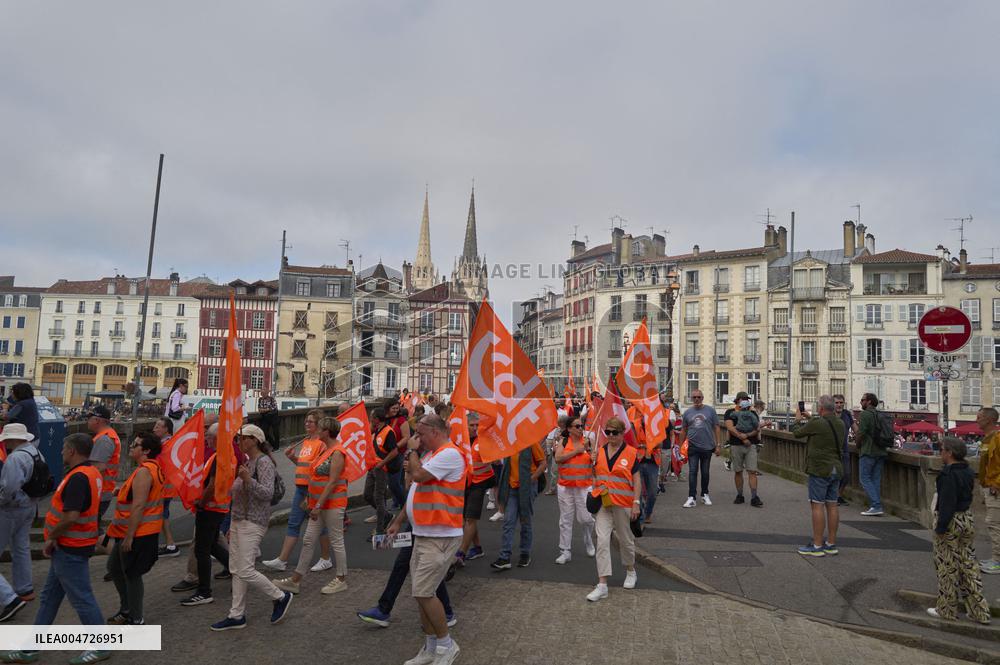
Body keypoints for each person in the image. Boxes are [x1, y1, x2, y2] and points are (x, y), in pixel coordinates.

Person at [0, 434, 109, 664]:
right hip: (72, 547)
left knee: (81, 598)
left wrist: (52, 537)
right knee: (49, 598)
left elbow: (71, 516)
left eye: (64, 448)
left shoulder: (78, 477)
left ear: (72, 451)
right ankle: (30, 649)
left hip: (70, 548)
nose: (61, 452)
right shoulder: (91, 473)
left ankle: (101, 646)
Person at [385, 414, 466, 665]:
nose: (417, 439)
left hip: (440, 535)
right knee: (421, 592)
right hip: (424, 533)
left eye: (420, 433)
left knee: (423, 592)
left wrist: (411, 452)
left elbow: (419, 476)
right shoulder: (432, 455)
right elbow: (415, 489)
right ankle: (431, 647)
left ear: (435, 432)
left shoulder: (449, 454)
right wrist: (399, 519)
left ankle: (446, 644)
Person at [211, 425, 293, 630]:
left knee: (245, 570)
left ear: (254, 440)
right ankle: (236, 615)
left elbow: (267, 493)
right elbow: (237, 494)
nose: (238, 442)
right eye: (237, 438)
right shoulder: (248, 461)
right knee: (236, 569)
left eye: (242, 438)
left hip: (253, 521)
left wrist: (248, 480)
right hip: (239, 521)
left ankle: (280, 596)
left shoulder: (264, 462)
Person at [274, 416, 348, 595]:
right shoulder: (327, 450)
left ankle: (341, 579)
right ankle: (295, 580)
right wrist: (311, 500)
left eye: (320, 429)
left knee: (336, 541)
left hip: (332, 504)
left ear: (327, 432)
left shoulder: (337, 452)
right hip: (319, 504)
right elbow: (315, 476)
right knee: (308, 540)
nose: (317, 431)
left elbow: (332, 482)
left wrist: (318, 505)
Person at [928, 437, 990, 623]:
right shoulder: (968, 471)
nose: (940, 453)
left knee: (947, 567)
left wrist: (940, 527)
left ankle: (946, 609)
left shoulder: (948, 474)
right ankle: (980, 611)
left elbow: (947, 503)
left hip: (951, 522)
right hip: (966, 518)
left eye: (942, 450)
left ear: (950, 453)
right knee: (968, 565)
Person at [105, 432, 165, 625]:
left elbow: (139, 505)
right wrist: (121, 491)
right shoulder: (148, 468)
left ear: (146, 451)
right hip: (132, 531)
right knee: (115, 568)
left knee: (131, 573)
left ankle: (135, 617)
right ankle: (127, 610)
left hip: (137, 533)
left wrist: (129, 537)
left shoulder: (144, 472)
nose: (130, 447)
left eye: (135, 445)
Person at [263, 410, 333, 573]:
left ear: (319, 424)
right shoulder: (307, 441)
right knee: (294, 523)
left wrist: (312, 492)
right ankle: (282, 560)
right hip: (301, 488)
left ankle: (325, 558)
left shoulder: (321, 444)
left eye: (310, 421)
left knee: (319, 525)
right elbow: (304, 466)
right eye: (306, 421)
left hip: (312, 490)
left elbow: (320, 469)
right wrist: (293, 458)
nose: (306, 423)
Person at [586, 417, 641, 602]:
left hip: (623, 503)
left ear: (622, 433)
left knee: (625, 540)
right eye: (607, 432)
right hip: (603, 503)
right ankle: (602, 585)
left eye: (614, 433)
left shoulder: (631, 453)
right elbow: (595, 476)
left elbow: (637, 480)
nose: (610, 435)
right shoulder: (599, 452)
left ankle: (630, 570)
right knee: (602, 541)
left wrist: (636, 502)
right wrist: (592, 463)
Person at [178, 423, 232, 607]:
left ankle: (204, 591)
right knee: (212, 546)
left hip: (210, 508)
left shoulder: (218, 457)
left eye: (208, 435)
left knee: (202, 550)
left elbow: (212, 485)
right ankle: (236, 570)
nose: (206, 439)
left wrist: (201, 503)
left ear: (216, 438)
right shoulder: (225, 455)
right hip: (219, 508)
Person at [792, 395, 844, 557]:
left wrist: (797, 420)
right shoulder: (840, 423)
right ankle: (831, 544)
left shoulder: (817, 423)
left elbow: (797, 433)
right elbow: (825, 428)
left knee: (817, 505)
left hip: (820, 469)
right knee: (832, 506)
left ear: (820, 408)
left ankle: (817, 545)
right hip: (836, 468)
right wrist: (811, 418)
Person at [0, 424, 41, 622]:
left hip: (11, 509)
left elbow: (8, 489)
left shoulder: (15, 458)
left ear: (13, 439)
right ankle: (25, 588)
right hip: (29, 506)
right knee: (21, 547)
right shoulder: (35, 452)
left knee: (18, 547)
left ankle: (10, 599)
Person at [491, 437, 546, 570]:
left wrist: (531, 479)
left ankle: (525, 553)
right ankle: (505, 557)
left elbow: (543, 463)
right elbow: (502, 462)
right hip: (511, 488)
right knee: (508, 521)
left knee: (525, 520)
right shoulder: (509, 443)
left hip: (527, 488)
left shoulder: (531, 442)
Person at [553, 417, 595, 564]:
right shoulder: (564, 441)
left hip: (584, 486)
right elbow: (558, 458)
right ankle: (565, 551)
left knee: (586, 518)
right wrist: (576, 451)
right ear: (569, 429)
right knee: (565, 519)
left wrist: (592, 455)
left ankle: (588, 538)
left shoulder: (589, 441)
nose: (580, 428)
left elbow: (595, 461)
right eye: (577, 426)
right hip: (565, 486)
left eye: (581, 426)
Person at [455, 412, 493, 567]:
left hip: (480, 482)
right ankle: (477, 548)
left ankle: (461, 554)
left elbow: (494, 459)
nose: (475, 428)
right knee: (467, 517)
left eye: (477, 425)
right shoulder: (460, 441)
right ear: (466, 426)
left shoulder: (484, 440)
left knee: (470, 519)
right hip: (465, 482)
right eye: (472, 425)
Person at [680, 390, 721, 508]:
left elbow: (717, 427)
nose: (696, 399)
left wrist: (718, 445)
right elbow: (683, 430)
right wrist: (680, 447)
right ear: (691, 399)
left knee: (705, 472)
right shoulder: (687, 412)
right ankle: (691, 497)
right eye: (694, 397)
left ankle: (704, 494)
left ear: (702, 398)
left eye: (699, 397)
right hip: (692, 446)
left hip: (707, 446)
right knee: (693, 472)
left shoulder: (710, 411)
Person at [724, 392, 763, 507]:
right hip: (736, 445)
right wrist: (742, 437)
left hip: (751, 445)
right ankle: (740, 495)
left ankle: (754, 497)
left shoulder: (752, 413)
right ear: (738, 400)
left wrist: (747, 436)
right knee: (738, 471)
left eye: (747, 399)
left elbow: (757, 428)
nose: (746, 400)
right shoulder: (730, 412)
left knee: (752, 471)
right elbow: (730, 427)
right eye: (743, 398)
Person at [854, 393, 887, 516]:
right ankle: (876, 506)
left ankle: (876, 505)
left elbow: (861, 433)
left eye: (862, 400)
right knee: (875, 479)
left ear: (868, 402)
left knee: (864, 479)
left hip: (868, 451)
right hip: (881, 451)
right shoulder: (880, 414)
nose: (861, 402)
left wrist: (857, 445)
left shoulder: (865, 414)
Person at [365, 408, 398, 533]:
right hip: (373, 467)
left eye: (371, 417)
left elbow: (394, 451)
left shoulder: (388, 432)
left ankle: (380, 529)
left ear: (377, 419)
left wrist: (382, 464)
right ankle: (387, 515)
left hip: (381, 468)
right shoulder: (377, 429)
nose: (370, 419)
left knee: (378, 498)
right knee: (367, 495)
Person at [152, 417, 181, 558]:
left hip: (164, 487)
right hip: (166, 486)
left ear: (166, 429)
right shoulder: (168, 443)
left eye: (158, 426)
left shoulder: (166, 445)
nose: (154, 428)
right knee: (163, 515)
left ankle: (170, 544)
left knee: (161, 515)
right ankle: (170, 544)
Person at [86, 405, 121, 524]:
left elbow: (98, 469)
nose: (87, 421)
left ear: (97, 420)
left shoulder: (104, 439)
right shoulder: (107, 435)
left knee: (91, 527)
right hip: (104, 490)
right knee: (94, 526)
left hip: (99, 493)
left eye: (89, 418)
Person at [976, 407, 1000, 574]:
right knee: (994, 523)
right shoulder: (987, 439)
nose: (976, 420)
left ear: (989, 420)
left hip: (995, 489)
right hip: (989, 486)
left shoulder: (997, 439)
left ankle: (997, 561)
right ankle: (995, 558)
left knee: (994, 524)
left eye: (979, 417)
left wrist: (996, 484)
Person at [833, 395, 854, 506]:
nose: (839, 405)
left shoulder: (847, 414)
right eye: (836, 403)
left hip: (844, 449)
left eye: (841, 402)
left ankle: (839, 496)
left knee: (846, 475)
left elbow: (855, 429)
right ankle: (833, 497)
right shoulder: (829, 415)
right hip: (831, 450)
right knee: (833, 475)